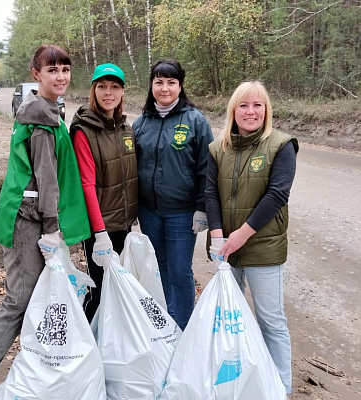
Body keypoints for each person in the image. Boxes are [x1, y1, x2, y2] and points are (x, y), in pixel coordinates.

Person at [0, 44, 90, 400]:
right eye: (52, 70)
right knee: (18, 301)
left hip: (27, 217)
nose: (60, 76)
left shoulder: (46, 110)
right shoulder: (40, 116)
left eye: (65, 70)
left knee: (35, 297)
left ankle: (35, 366)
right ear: (36, 74)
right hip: (28, 221)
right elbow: (46, 179)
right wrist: (53, 230)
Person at [205, 81, 299, 397]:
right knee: (227, 319)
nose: (251, 112)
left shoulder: (282, 145)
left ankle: (280, 387)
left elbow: (277, 195)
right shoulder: (218, 149)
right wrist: (218, 237)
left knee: (271, 321)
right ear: (234, 110)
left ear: (266, 110)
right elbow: (210, 193)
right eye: (244, 105)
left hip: (263, 250)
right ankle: (236, 381)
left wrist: (240, 237)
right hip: (226, 250)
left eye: (258, 105)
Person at [132, 59, 213, 331]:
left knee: (180, 271)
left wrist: (202, 208)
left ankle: (185, 328)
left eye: (171, 82)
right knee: (160, 267)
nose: (164, 88)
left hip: (182, 212)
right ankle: (166, 325)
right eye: (159, 82)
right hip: (148, 211)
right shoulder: (141, 123)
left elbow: (206, 167)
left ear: (180, 86)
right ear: (151, 85)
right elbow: (132, 168)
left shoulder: (195, 120)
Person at [70, 63, 138, 323]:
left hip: (123, 225)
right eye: (102, 87)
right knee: (98, 292)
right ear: (93, 90)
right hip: (100, 230)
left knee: (120, 290)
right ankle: (85, 345)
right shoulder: (84, 131)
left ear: (122, 92)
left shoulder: (125, 129)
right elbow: (87, 184)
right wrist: (99, 234)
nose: (108, 92)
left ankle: (111, 349)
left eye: (114, 87)